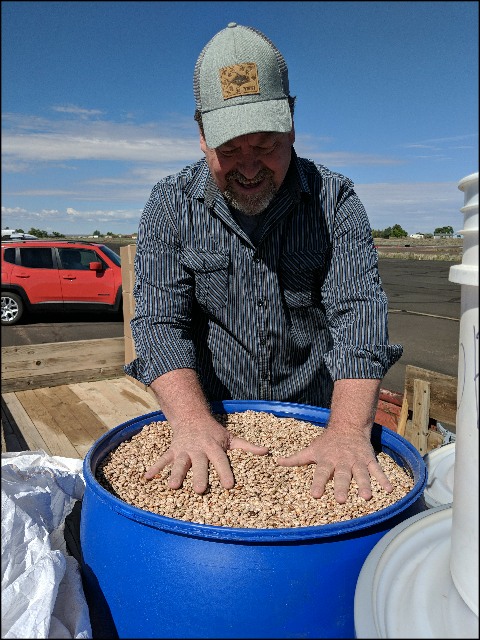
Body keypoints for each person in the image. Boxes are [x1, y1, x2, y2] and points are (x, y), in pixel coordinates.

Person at [125, 22, 403, 504]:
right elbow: (159, 324)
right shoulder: (170, 204)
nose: (250, 167)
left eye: (267, 145)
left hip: (316, 419)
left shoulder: (334, 200)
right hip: (218, 418)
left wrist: (346, 429)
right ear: (201, 136)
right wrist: (192, 423)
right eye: (230, 150)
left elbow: (358, 317)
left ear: (292, 123)